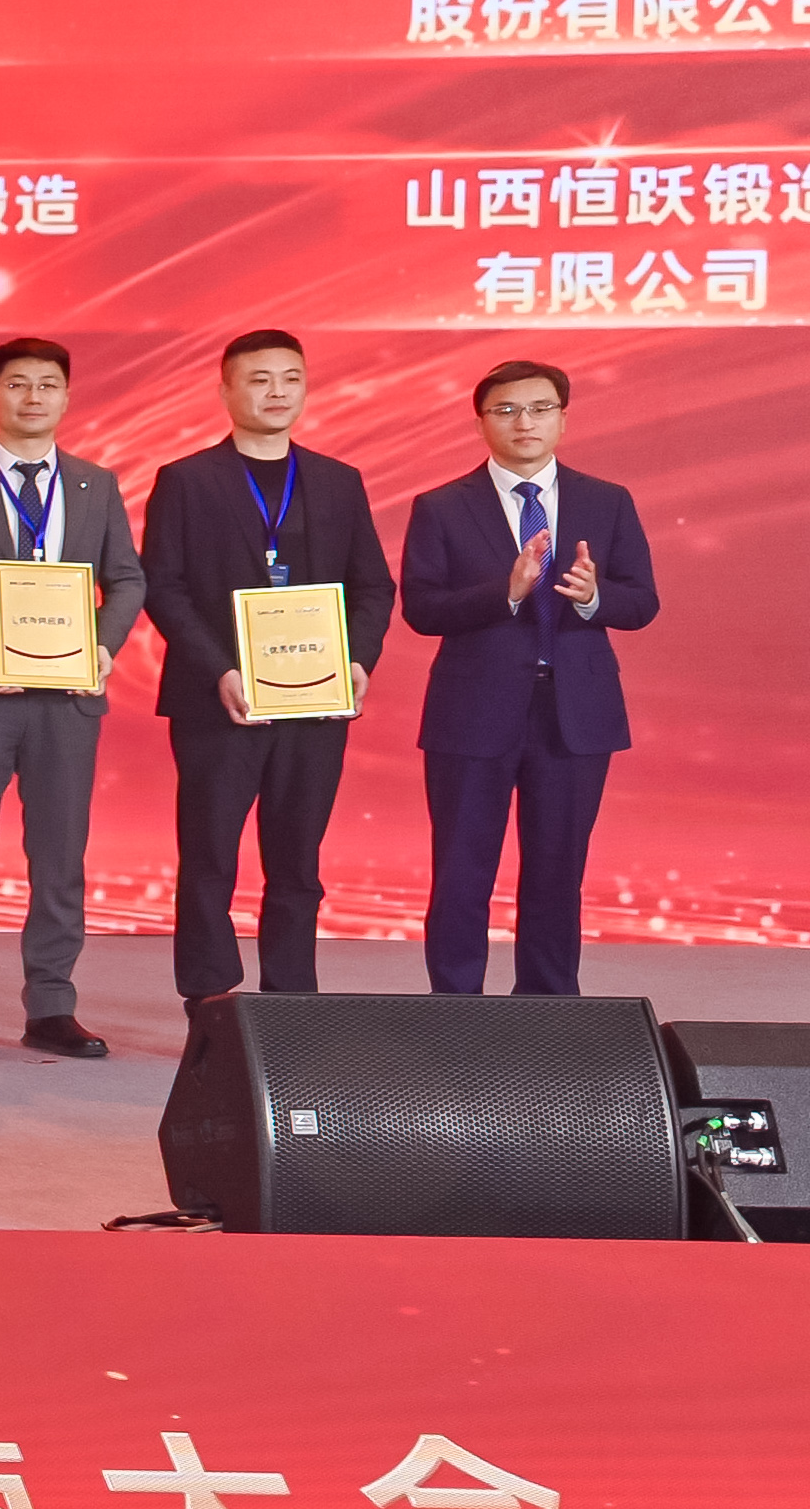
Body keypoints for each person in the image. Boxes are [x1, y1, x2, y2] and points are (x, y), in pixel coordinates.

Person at [0, 336, 147, 1059]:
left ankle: (51, 1006)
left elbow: (128, 578)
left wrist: (102, 647)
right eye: (17, 383)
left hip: (67, 699)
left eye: (47, 384)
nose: (33, 396)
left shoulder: (96, 484)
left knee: (60, 857)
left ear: (67, 396)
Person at [140, 329, 392, 1004]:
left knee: (298, 864)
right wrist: (220, 670)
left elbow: (373, 585)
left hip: (315, 702)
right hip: (217, 702)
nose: (277, 391)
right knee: (209, 860)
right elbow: (163, 586)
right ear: (225, 390)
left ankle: (291, 1001)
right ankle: (210, 1002)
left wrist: (357, 659)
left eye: (290, 377)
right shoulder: (186, 480)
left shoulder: (339, 481)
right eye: (259, 379)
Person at [402, 359, 658, 997]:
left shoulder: (607, 500)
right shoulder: (441, 506)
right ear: (481, 422)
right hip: (472, 712)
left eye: (541, 408)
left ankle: (549, 1008)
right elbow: (422, 609)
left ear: (563, 419)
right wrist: (507, 592)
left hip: (575, 714)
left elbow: (642, 602)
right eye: (507, 410)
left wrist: (594, 597)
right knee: (462, 871)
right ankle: (456, 1008)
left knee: (557, 872)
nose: (525, 422)